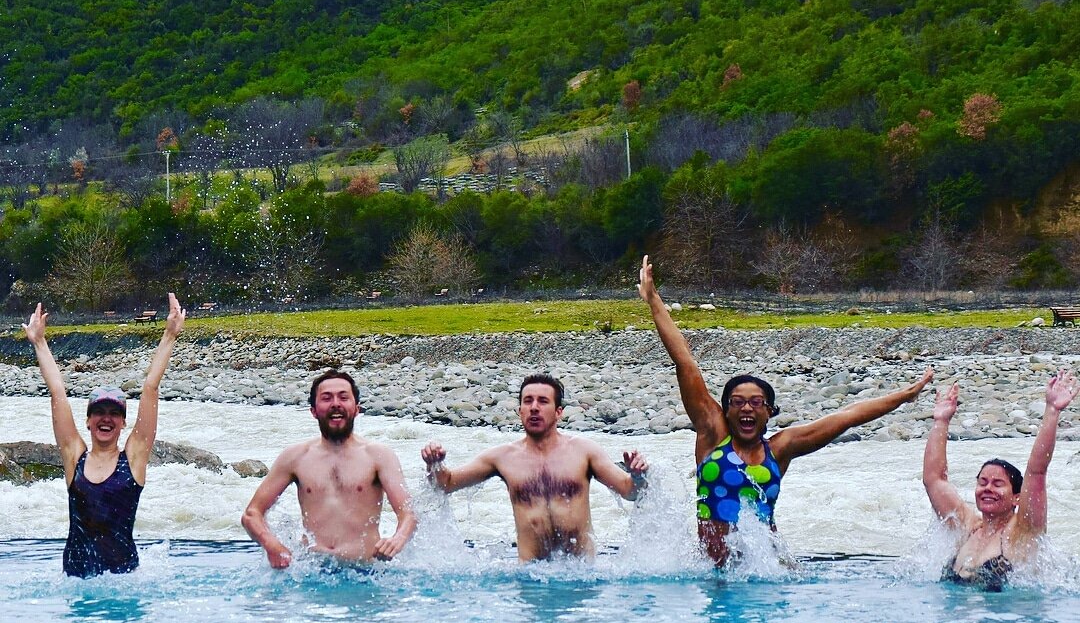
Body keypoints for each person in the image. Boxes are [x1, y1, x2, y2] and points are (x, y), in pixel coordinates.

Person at [637, 255, 933, 566]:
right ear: (725, 411)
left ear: (769, 412)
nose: (747, 408)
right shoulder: (713, 434)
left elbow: (847, 416)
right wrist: (654, 300)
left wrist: (905, 396)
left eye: (756, 402)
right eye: (737, 402)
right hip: (716, 573)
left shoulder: (780, 449)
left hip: (771, 571)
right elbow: (685, 363)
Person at [23, 292, 186, 577]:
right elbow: (57, 391)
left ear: (123, 423)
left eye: (114, 413)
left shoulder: (134, 458)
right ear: (88, 421)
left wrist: (170, 335)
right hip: (76, 582)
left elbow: (150, 388)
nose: (106, 418)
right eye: (100, 412)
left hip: (122, 581)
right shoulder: (74, 456)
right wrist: (39, 342)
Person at [421, 373, 649, 561]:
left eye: (543, 401)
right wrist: (434, 465)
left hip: (582, 574)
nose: (534, 407)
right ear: (520, 410)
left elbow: (630, 491)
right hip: (530, 576)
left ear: (559, 412)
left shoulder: (585, 451)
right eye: (527, 401)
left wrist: (638, 476)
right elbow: (445, 484)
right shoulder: (502, 457)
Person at [242, 369, 417, 567]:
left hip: (365, 572)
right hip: (312, 571)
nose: (336, 404)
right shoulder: (295, 457)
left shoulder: (378, 456)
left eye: (343, 397)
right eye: (326, 398)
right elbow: (252, 513)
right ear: (314, 411)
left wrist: (397, 539)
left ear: (356, 408)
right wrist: (273, 546)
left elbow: (408, 513)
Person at [923, 370, 1079, 590]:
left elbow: (1037, 472)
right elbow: (934, 480)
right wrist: (940, 421)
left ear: (1017, 497)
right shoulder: (966, 525)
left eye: (998, 484)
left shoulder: (1023, 530)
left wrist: (1052, 411)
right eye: (983, 482)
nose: (988, 489)